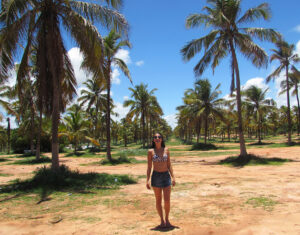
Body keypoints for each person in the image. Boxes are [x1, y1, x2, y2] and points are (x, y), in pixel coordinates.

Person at [146, 132, 176, 228]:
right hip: (156, 177)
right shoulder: (150, 151)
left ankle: (167, 219)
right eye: (155, 137)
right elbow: (149, 167)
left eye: (159, 137)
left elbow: (169, 164)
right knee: (158, 200)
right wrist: (147, 179)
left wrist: (173, 177)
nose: (157, 138)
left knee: (167, 200)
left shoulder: (166, 150)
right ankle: (162, 221)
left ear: (162, 139)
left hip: (166, 176)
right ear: (153, 140)